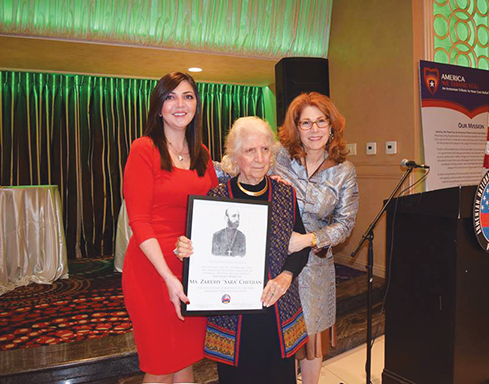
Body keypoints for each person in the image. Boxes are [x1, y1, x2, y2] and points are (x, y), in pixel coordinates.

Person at [176, 116, 310, 383]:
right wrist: (187, 249)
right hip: (232, 317)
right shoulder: (216, 198)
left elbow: (300, 248)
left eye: (265, 149)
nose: (259, 158)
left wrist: (286, 276)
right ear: (235, 157)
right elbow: (202, 253)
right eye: (250, 150)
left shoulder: (286, 195)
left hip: (276, 310)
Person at [122, 71, 218, 383]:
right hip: (152, 270)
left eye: (187, 96)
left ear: (196, 105)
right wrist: (167, 277)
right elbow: (139, 221)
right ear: (158, 107)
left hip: (191, 268)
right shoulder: (144, 149)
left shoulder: (202, 153)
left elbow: (218, 207)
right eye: (170, 96)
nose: (180, 104)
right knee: (160, 365)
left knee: (186, 360)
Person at [276, 92, 359, 383]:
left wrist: (308, 239)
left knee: (312, 340)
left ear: (332, 125)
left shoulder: (344, 171)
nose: (314, 130)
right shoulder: (278, 157)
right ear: (295, 128)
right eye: (306, 123)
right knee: (279, 334)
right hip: (275, 259)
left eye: (321, 121)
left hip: (315, 265)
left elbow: (345, 224)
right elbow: (240, 165)